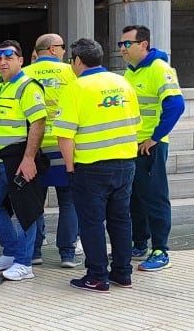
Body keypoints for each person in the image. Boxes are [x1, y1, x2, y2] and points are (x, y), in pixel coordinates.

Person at [54, 38, 141, 292]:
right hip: (125, 163)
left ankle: (97, 276)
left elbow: (64, 135)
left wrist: (69, 168)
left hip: (91, 167)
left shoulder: (76, 88)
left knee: (91, 223)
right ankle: (123, 273)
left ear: (78, 61)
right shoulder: (122, 82)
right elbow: (136, 123)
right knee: (121, 220)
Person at [0, 41, 49, 282]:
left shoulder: (28, 87)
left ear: (20, 60)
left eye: (9, 57)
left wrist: (29, 159)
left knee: (26, 211)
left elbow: (38, 123)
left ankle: (24, 263)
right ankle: (11, 251)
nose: (3, 62)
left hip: (19, 159)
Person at [120, 25, 184, 272]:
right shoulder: (130, 72)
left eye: (127, 44)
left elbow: (176, 105)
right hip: (132, 146)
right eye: (121, 44)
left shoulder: (159, 69)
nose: (122, 48)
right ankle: (139, 244)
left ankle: (161, 250)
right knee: (135, 198)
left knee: (154, 198)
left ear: (143, 44)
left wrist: (155, 138)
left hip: (150, 147)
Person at [24, 33, 79, 268]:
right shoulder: (71, 72)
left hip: (33, 148)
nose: (65, 51)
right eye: (63, 47)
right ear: (54, 49)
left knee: (35, 202)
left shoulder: (24, 74)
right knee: (69, 201)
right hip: (63, 145)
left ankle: (35, 251)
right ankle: (67, 254)